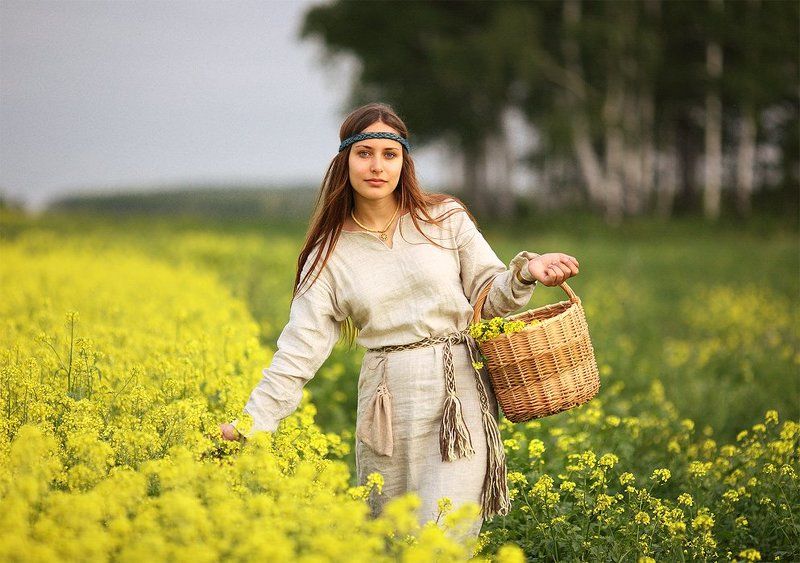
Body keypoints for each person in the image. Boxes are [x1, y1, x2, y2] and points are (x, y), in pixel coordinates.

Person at [219, 102, 579, 541]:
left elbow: (490, 296)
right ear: (344, 162)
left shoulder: (444, 218)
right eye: (364, 153)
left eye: (389, 154)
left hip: (457, 396)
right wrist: (251, 425)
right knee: (394, 539)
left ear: (404, 161)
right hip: (386, 403)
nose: (377, 166)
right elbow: (298, 351)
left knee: (444, 535)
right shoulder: (329, 255)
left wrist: (525, 272)